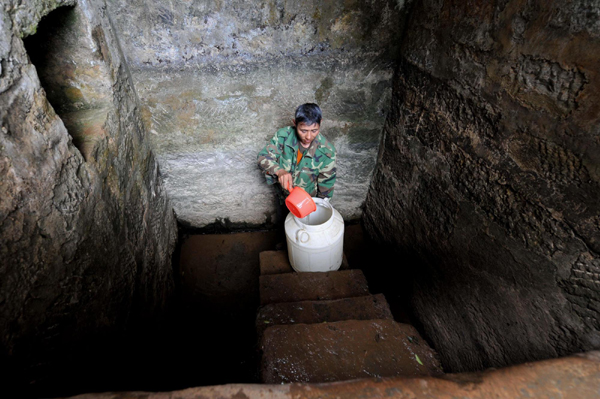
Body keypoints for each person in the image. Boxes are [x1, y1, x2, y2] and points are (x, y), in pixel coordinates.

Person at [257, 103, 337, 209]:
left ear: (320, 123)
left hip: (305, 202)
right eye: (303, 131)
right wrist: (279, 171)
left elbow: (326, 187)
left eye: (314, 130)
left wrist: (318, 208)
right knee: (283, 220)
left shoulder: (327, 152)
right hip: (283, 196)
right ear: (295, 123)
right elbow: (263, 156)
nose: (308, 136)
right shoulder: (283, 136)